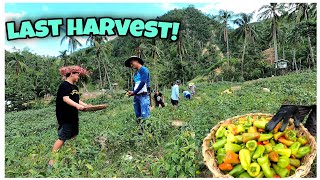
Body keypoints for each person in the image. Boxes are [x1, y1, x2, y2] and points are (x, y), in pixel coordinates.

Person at [49, 65, 90, 166]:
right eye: (77, 75)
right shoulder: (64, 85)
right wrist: (77, 106)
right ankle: (52, 161)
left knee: (74, 135)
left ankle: (71, 155)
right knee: (62, 137)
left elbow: (76, 99)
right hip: (65, 116)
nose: (78, 77)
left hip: (73, 116)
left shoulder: (75, 87)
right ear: (71, 74)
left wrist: (86, 105)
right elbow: (65, 99)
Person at [125, 56, 151, 134]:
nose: (131, 66)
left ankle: (148, 133)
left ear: (136, 61)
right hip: (137, 96)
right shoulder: (136, 73)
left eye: (132, 63)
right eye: (130, 65)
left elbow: (143, 83)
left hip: (143, 96)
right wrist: (132, 92)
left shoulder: (144, 70)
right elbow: (136, 84)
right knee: (138, 115)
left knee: (145, 115)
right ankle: (141, 132)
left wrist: (134, 92)